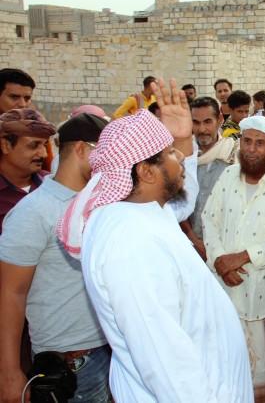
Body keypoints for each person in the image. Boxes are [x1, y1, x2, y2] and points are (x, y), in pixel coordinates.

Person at [57, 79, 253, 402]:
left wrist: (181, 137)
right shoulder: (128, 244)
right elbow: (166, 365)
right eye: (171, 152)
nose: (181, 157)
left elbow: (182, 204)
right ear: (146, 172)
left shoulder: (138, 211)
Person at [0, 113, 110, 403]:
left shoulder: (99, 202)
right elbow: (11, 293)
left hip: (107, 351)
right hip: (70, 364)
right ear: (81, 149)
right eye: (105, 152)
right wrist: (9, 372)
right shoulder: (33, 212)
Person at [202, 115, 265, 402]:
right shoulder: (228, 176)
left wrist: (241, 258)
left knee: (262, 369)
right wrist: (220, 260)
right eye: (247, 141)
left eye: (260, 143)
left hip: (261, 293)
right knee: (222, 365)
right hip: (222, 287)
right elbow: (209, 218)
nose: (252, 149)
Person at [181, 96, 236, 260]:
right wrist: (193, 240)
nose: (202, 129)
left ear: (220, 120)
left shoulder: (233, 155)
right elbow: (174, 202)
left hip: (224, 247)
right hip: (186, 243)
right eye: (196, 122)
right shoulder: (182, 156)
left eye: (207, 122)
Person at [0, 108, 56, 231]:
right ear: (6, 145)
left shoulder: (52, 185)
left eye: (45, 145)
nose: (44, 154)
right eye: (34, 145)